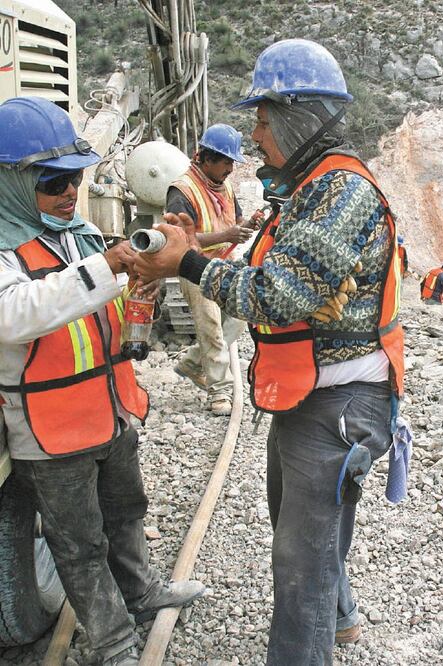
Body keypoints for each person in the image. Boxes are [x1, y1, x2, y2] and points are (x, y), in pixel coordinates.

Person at [133, 39, 405, 665]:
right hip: (314, 392)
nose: (254, 134)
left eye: (261, 118)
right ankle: (341, 621)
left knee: (299, 569)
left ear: (297, 116)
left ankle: (309, 643)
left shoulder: (341, 193)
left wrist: (189, 261)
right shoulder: (309, 188)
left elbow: (277, 295)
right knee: (308, 529)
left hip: (337, 402)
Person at [0, 97, 204, 666]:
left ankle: (139, 595)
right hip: (51, 426)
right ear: (13, 182)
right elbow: (12, 315)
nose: (70, 191)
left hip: (108, 406)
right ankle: (111, 641)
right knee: (80, 544)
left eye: (76, 178)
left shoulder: (77, 230)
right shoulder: (4, 246)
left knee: (126, 511)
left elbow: (115, 292)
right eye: (54, 181)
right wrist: (107, 267)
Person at [166, 123, 258, 416]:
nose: (230, 168)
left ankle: (192, 363)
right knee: (211, 328)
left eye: (232, 162)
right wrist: (226, 236)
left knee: (240, 316)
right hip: (194, 267)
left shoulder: (225, 186)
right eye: (226, 161)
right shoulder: (182, 190)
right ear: (205, 159)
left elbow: (234, 222)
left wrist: (248, 226)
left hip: (223, 262)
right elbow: (177, 238)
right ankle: (219, 391)